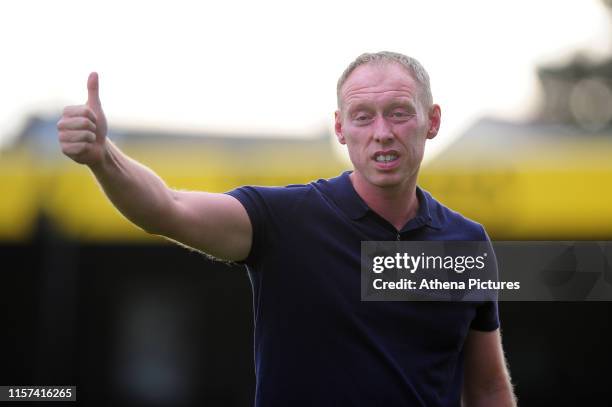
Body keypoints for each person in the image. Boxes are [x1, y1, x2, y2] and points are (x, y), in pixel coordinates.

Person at [57, 51, 516, 406]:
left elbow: (489, 390)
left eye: (399, 113)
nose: (382, 132)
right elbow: (166, 208)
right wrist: (103, 157)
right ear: (340, 128)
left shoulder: (466, 244)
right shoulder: (284, 220)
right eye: (362, 117)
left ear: (431, 121)